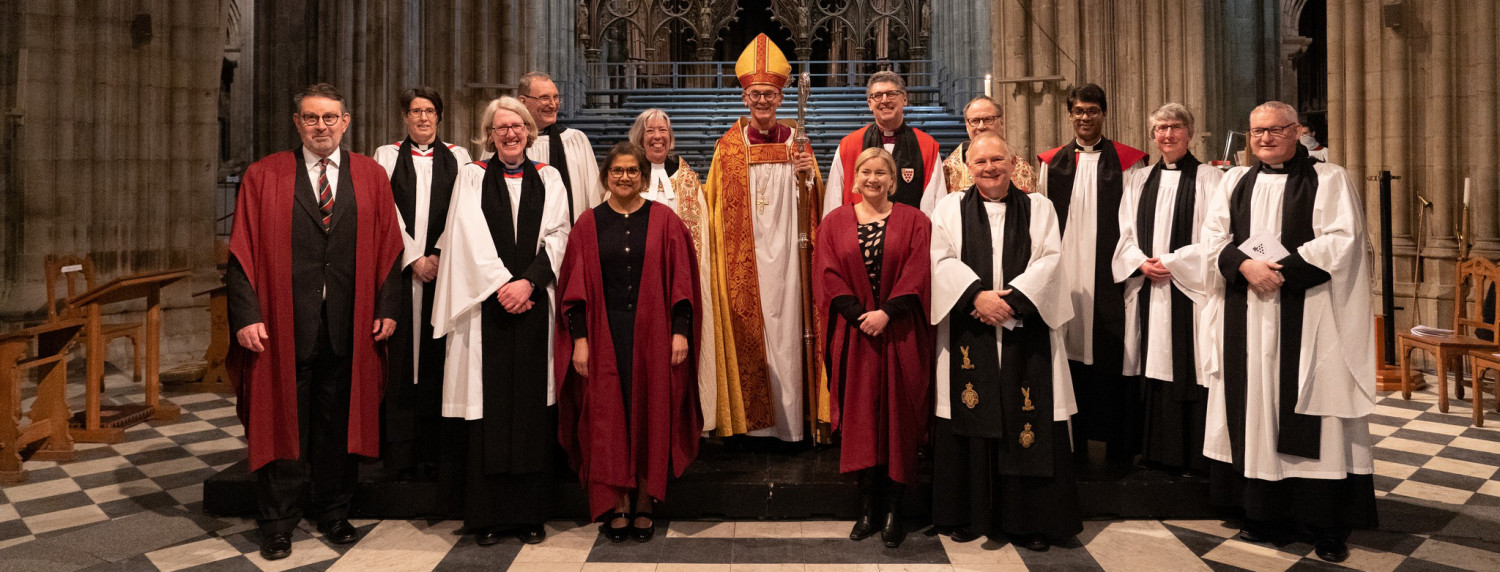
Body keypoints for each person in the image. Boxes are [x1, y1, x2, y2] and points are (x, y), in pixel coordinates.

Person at [226, 82, 404, 561]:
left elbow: (390, 247)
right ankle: (278, 522)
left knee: (337, 422)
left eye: (329, 118)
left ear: (346, 122)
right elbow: (241, 251)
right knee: (283, 418)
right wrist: (246, 316)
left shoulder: (369, 175)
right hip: (282, 325)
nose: (320, 126)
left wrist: (387, 307)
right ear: (297, 123)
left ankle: (333, 511)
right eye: (311, 118)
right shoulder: (265, 176)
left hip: (350, 321)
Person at [1199, 101, 1377, 563]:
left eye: (1276, 130)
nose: (1264, 139)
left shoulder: (1328, 178)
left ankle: (1325, 523)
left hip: (1310, 314)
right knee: (1256, 407)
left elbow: (1343, 240)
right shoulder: (1234, 181)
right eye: (1257, 131)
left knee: (1313, 411)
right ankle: (1265, 513)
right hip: (1248, 315)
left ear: (1297, 130)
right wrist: (1245, 266)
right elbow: (1213, 240)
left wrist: (1276, 270)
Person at [430, 96, 571, 546]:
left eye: (517, 126)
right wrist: (501, 287)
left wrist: (527, 284)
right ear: (488, 134)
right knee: (487, 412)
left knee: (529, 411)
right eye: (501, 127)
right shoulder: (472, 176)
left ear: (530, 131)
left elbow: (560, 234)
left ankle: (529, 514)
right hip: (486, 308)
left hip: (532, 306)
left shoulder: (549, 178)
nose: (510, 134)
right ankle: (487, 515)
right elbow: (465, 237)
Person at [929, 132, 1079, 551]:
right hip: (969, 328)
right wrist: (975, 295)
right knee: (971, 408)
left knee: (1026, 415)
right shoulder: (949, 207)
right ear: (968, 168)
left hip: (1025, 330)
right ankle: (970, 513)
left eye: (997, 160)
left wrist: (1009, 303)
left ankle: (1029, 519)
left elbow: (1050, 259)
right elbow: (939, 259)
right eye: (980, 162)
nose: (990, 168)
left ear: (1012, 163)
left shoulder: (1038, 207)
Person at [555, 142, 704, 544]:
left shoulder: (665, 220)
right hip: (604, 334)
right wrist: (580, 340)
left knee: (647, 414)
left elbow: (683, 283)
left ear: (643, 176)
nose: (624, 177)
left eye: (632, 171)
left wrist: (680, 331)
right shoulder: (588, 223)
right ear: (606, 176)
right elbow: (573, 288)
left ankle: (643, 499)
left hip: (653, 334)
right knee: (608, 418)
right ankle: (616, 502)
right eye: (617, 171)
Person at [701, 33, 825, 441]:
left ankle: (795, 424)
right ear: (743, 98)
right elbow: (713, 209)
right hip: (745, 259)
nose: (762, 101)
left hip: (791, 258)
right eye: (755, 94)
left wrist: (809, 177)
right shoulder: (727, 150)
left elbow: (818, 207)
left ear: (781, 97)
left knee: (791, 333)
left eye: (769, 94)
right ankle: (752, 429)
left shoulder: (798, 144)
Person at [815, 147, 933, 548]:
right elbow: (827, 274)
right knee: (862, 420)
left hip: (900, 334)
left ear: (893, 179)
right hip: (856, 336)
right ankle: (866, 508)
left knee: (899, 420)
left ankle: (894, 511)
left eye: (881, 172)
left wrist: (887, 313)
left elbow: (920, 271)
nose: (873, 178)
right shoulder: (834, 223)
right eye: (866, 171)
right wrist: (859, 315)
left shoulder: (915, 221)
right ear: (854, 178)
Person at [1036, 83, 1148, 464]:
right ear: (1069, 114)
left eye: (1092, 111)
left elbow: (1137, 219)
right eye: (1078, 111)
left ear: (1104, 113)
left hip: (1112, 275)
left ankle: (1118, 448)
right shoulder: (1051, 163)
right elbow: (1043, 224)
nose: (1085, 117)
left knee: (1114, 352)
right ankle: (1074, 446)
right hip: (1067, 275)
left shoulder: (1131, 162)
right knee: (1068, 355)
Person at [1110, 103, 1223, 475]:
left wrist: (1174, 262)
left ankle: (1193, 455)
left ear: (1189, 132)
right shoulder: (1139, 180)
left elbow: (1218, 237)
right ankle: (1155, 452)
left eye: (1175, 127)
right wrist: (1139, 262)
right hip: (1148, 287)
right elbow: (1124, 233)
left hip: (1188, 291)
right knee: (1151, 363)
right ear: (1153, 135)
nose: (1168, 135)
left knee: (1188, 364)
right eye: (1160, 128)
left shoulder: (1211, 179)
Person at [373, 86, 472, 479]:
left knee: (441, 354)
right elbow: (385, 207)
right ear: (405, 116)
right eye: (415, 111)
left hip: (447, 273)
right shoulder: (386, 155)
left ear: (440, 116)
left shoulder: (460, 157)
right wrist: (414, 256)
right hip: (402, 272)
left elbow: (465, 209)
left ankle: (440, 450)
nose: (423, 118)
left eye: (430, 110)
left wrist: (440, 254)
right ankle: (401, 453)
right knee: (402, 361)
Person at [628, 109, 720, 432]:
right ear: (640, 137)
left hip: (678, 284)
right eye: (650, 131)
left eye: (663, 131)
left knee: (679, 354)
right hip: (636, 284)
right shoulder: (628, 174)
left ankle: (682, 423)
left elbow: (701, 236)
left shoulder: (687, 177)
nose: (657, 136)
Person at [824, 71, 946, 216]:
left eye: (891, 94)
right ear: (870, 104)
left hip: (910, 234)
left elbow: (936, 203)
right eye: (877, 95)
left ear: (905, 99)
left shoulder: (926, 146)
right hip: (859, 234)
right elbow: (833, 201)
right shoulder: (849, 145)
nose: (884, 100)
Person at [518, 71, 603, 222]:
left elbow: (594, 196)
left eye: (556, 97)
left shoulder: (576, 141)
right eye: (544, 98)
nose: (553, 104)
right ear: (523, 101)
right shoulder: (507, 143)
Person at [944, 96, 1037, 194]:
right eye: (975, 121)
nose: (981, 126)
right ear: (967, 125)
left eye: (988, 119)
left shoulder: (1022, 169)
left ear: (1001, 122)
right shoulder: (948, 170)